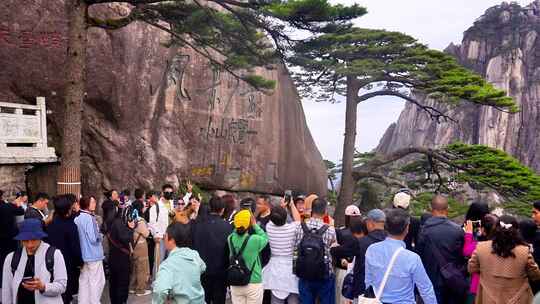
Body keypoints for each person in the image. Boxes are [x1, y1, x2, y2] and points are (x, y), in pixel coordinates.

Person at [364, 208, 437, 304]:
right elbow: (426, 290)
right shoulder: (412, 258)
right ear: (407, 228)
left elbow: (368, 281)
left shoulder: (372, 250)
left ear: (386, 226)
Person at [469, 215, 540, 304]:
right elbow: (535, 275)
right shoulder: (524, 251)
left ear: (496, 228)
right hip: (518, 299)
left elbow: (471, 268)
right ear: (517, 231)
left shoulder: (481, 247)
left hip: (488, 298)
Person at [2, 218, 68, 304]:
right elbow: (6, 291)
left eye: (33, 239)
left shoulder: (54, 254)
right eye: (25, 240)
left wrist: (43, 287)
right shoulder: (11, 258)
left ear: (40, 237)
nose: (30, 244)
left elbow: (62, 285)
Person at [417, 195, 466, 304]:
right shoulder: (457, 230)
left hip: (431, 280)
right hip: (453, 280)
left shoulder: (423, 231)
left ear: (431, 209)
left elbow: (419, 256)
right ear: (447, 209)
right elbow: (463, 255)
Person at [294, 198, 336, 304]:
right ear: (325, 211)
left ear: (312, 209)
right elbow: (333, 247)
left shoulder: (299, 226)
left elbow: (295, 248)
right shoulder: (330, 230)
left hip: (304, 272)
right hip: (324, 273)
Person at [191, 196, 232, 304]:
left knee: (202, 300)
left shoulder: (197, 225)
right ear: (222, 209)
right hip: (220, 271)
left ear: (210, 207)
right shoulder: (227, 227)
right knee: (219, 300)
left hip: (201, 270)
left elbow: (192, 245)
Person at [153, 223, 206, 304]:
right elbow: (203, 268)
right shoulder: (194, 254)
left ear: (172, 240)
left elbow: (160, 290)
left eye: (165, 236)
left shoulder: (167, 265)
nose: (164, 239)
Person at [263, 201, 302, 304]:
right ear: (286, 217)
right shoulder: (293, 228)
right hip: (292, 264)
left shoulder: (269, 227)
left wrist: (281, 207)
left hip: (275, 265)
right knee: (293, 298)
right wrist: (291, 205)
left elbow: (274, 218)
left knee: (275, 299)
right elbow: (298, 220)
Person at [46, 194, 83, 304]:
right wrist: (80, 262)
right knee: (65, 291)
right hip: (67, 263)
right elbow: (75, 247)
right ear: (68, 209)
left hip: (50, 262)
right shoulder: (71, 225)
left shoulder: (50, 222)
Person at [229, 210, 269, 304]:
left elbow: (236, 231)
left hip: (235, 281)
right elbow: (265, 238)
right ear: (249, 223)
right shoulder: (255, 239)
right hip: (253, 281)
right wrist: (255, 225)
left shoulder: (230, 238)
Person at [74, 196, 106, 304]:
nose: (95, 203)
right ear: (87, 204)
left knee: (84, 282)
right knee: (97, 282)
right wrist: (101, 236)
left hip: (83, 255)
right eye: (92, 202)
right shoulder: (90, 218)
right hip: (94, 254)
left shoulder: (77, 218)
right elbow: (94, 238)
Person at [462, 213, 499, 303]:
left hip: (478, 287)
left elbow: (466, 251)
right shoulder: (506, 244)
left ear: (483, 230)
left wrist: (469, 233)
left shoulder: (480, 246)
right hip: (498, 288)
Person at [351, 209, 386, 298]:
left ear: (370, 223)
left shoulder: (361, 242)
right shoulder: (391, 242)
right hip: (385, 290)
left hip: (363, 291)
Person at [331, 205, 361, 304]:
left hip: (344, 270)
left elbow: (335, 251)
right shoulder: (363, 234)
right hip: (354, 271)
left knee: (341, 298)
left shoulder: (340, 231)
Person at [107, 207, 135, 304]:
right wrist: (131, 229)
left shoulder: (109, 223)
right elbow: (125, 238)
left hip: (112, 257)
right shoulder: (118, 223)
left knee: (113, 283)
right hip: (121, 259)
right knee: (122, 283)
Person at [0, 190, 25, 291]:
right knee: (11, 262)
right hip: (9, 240)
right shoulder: (7, 206)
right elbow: (21, 211)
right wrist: (17, 204)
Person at [129, 202, 151, 296]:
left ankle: (132, 287)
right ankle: (140, 290)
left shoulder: (131, 218)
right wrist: (149, 229)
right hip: (141, 246)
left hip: (133, 246)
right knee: (142, 268)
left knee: (135, 267)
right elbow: (146, 234)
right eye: (143, 206)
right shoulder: (140, 221)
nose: (144, 208)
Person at [148, 188, 171, 274]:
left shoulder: (169, 205)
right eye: (166, 192)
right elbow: (152, 223)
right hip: (160, 238)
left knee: (168, 261)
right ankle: (156, 283)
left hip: (169, 238)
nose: (168, 194)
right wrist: (156, 235)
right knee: (158, 261)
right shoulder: (154, 208)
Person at [144, 190, 159, 278]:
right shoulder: (149, 209)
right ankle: (150, 274)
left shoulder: (157, 208)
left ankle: (151, 274)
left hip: (154, 235)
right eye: (154, 196)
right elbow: (148, 222)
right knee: (150, 255)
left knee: (153, 255)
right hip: (150, 235)